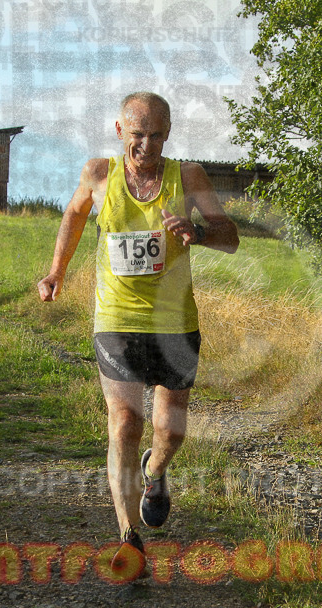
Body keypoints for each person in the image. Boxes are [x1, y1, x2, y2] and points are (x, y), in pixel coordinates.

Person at [37, 92, 239, 575]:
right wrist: (57, 271)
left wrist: (199, 233)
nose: (146, 144)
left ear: (168, 133)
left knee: (170, 430)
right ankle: (128, 538)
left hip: (174, 323)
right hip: (116, 319)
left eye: (155, 135)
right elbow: (74, 215)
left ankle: (154, 473)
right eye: (137, 134)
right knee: (124, 422)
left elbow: (229, 236)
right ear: (119, 130)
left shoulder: (187, 177)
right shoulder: (99, 174)